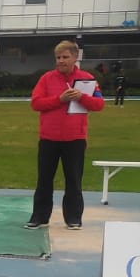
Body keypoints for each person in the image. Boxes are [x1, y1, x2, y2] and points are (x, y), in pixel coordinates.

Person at [26, 40, 104, 231]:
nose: (61, 61)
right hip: (48, 138)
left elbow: (99, 104)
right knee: (44, 180)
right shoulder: (47, 79)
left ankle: (73, 218)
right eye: (58, 57)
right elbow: (36, 103)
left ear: (75, 58)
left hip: (75, 139)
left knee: (74, 180)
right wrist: (59, 99)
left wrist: (81, 97)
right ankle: (39, 217)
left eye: (65, 57)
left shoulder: (87, 79)